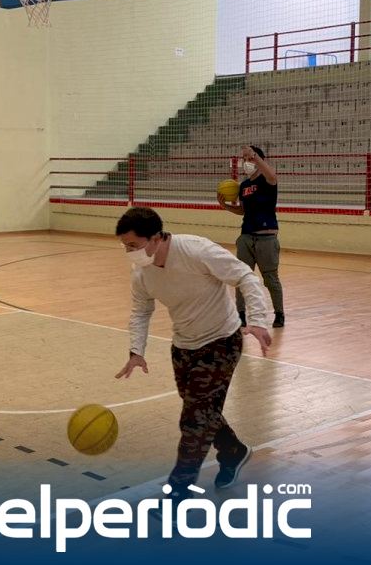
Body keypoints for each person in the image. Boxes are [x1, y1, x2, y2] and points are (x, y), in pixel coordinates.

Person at [115, 207, 273, 509]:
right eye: (125, 246)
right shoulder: (142, 273)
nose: (129, 252)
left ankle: (178, 492)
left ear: (156, 238)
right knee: (202, 411)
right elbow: (141, 311)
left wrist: (257, 319)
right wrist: (136, 351)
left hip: (221, 342)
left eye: (133, 245)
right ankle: (234, 451)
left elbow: (245, 276)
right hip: (183, 347)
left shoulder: (197, 250)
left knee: (194, 420)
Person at [217, 145, 285, 328]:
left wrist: (255, 156)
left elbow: (272, 175)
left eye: (249, 159)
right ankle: (241, 314)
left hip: (267, 238)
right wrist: (226, 206)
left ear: (258, 160)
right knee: (242, 277)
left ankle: (279, 313)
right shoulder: (244, 186)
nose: (246, 162)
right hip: (246, 236)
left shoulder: (267, 180)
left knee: (270, 278)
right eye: (244, 159)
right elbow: (243, 210)